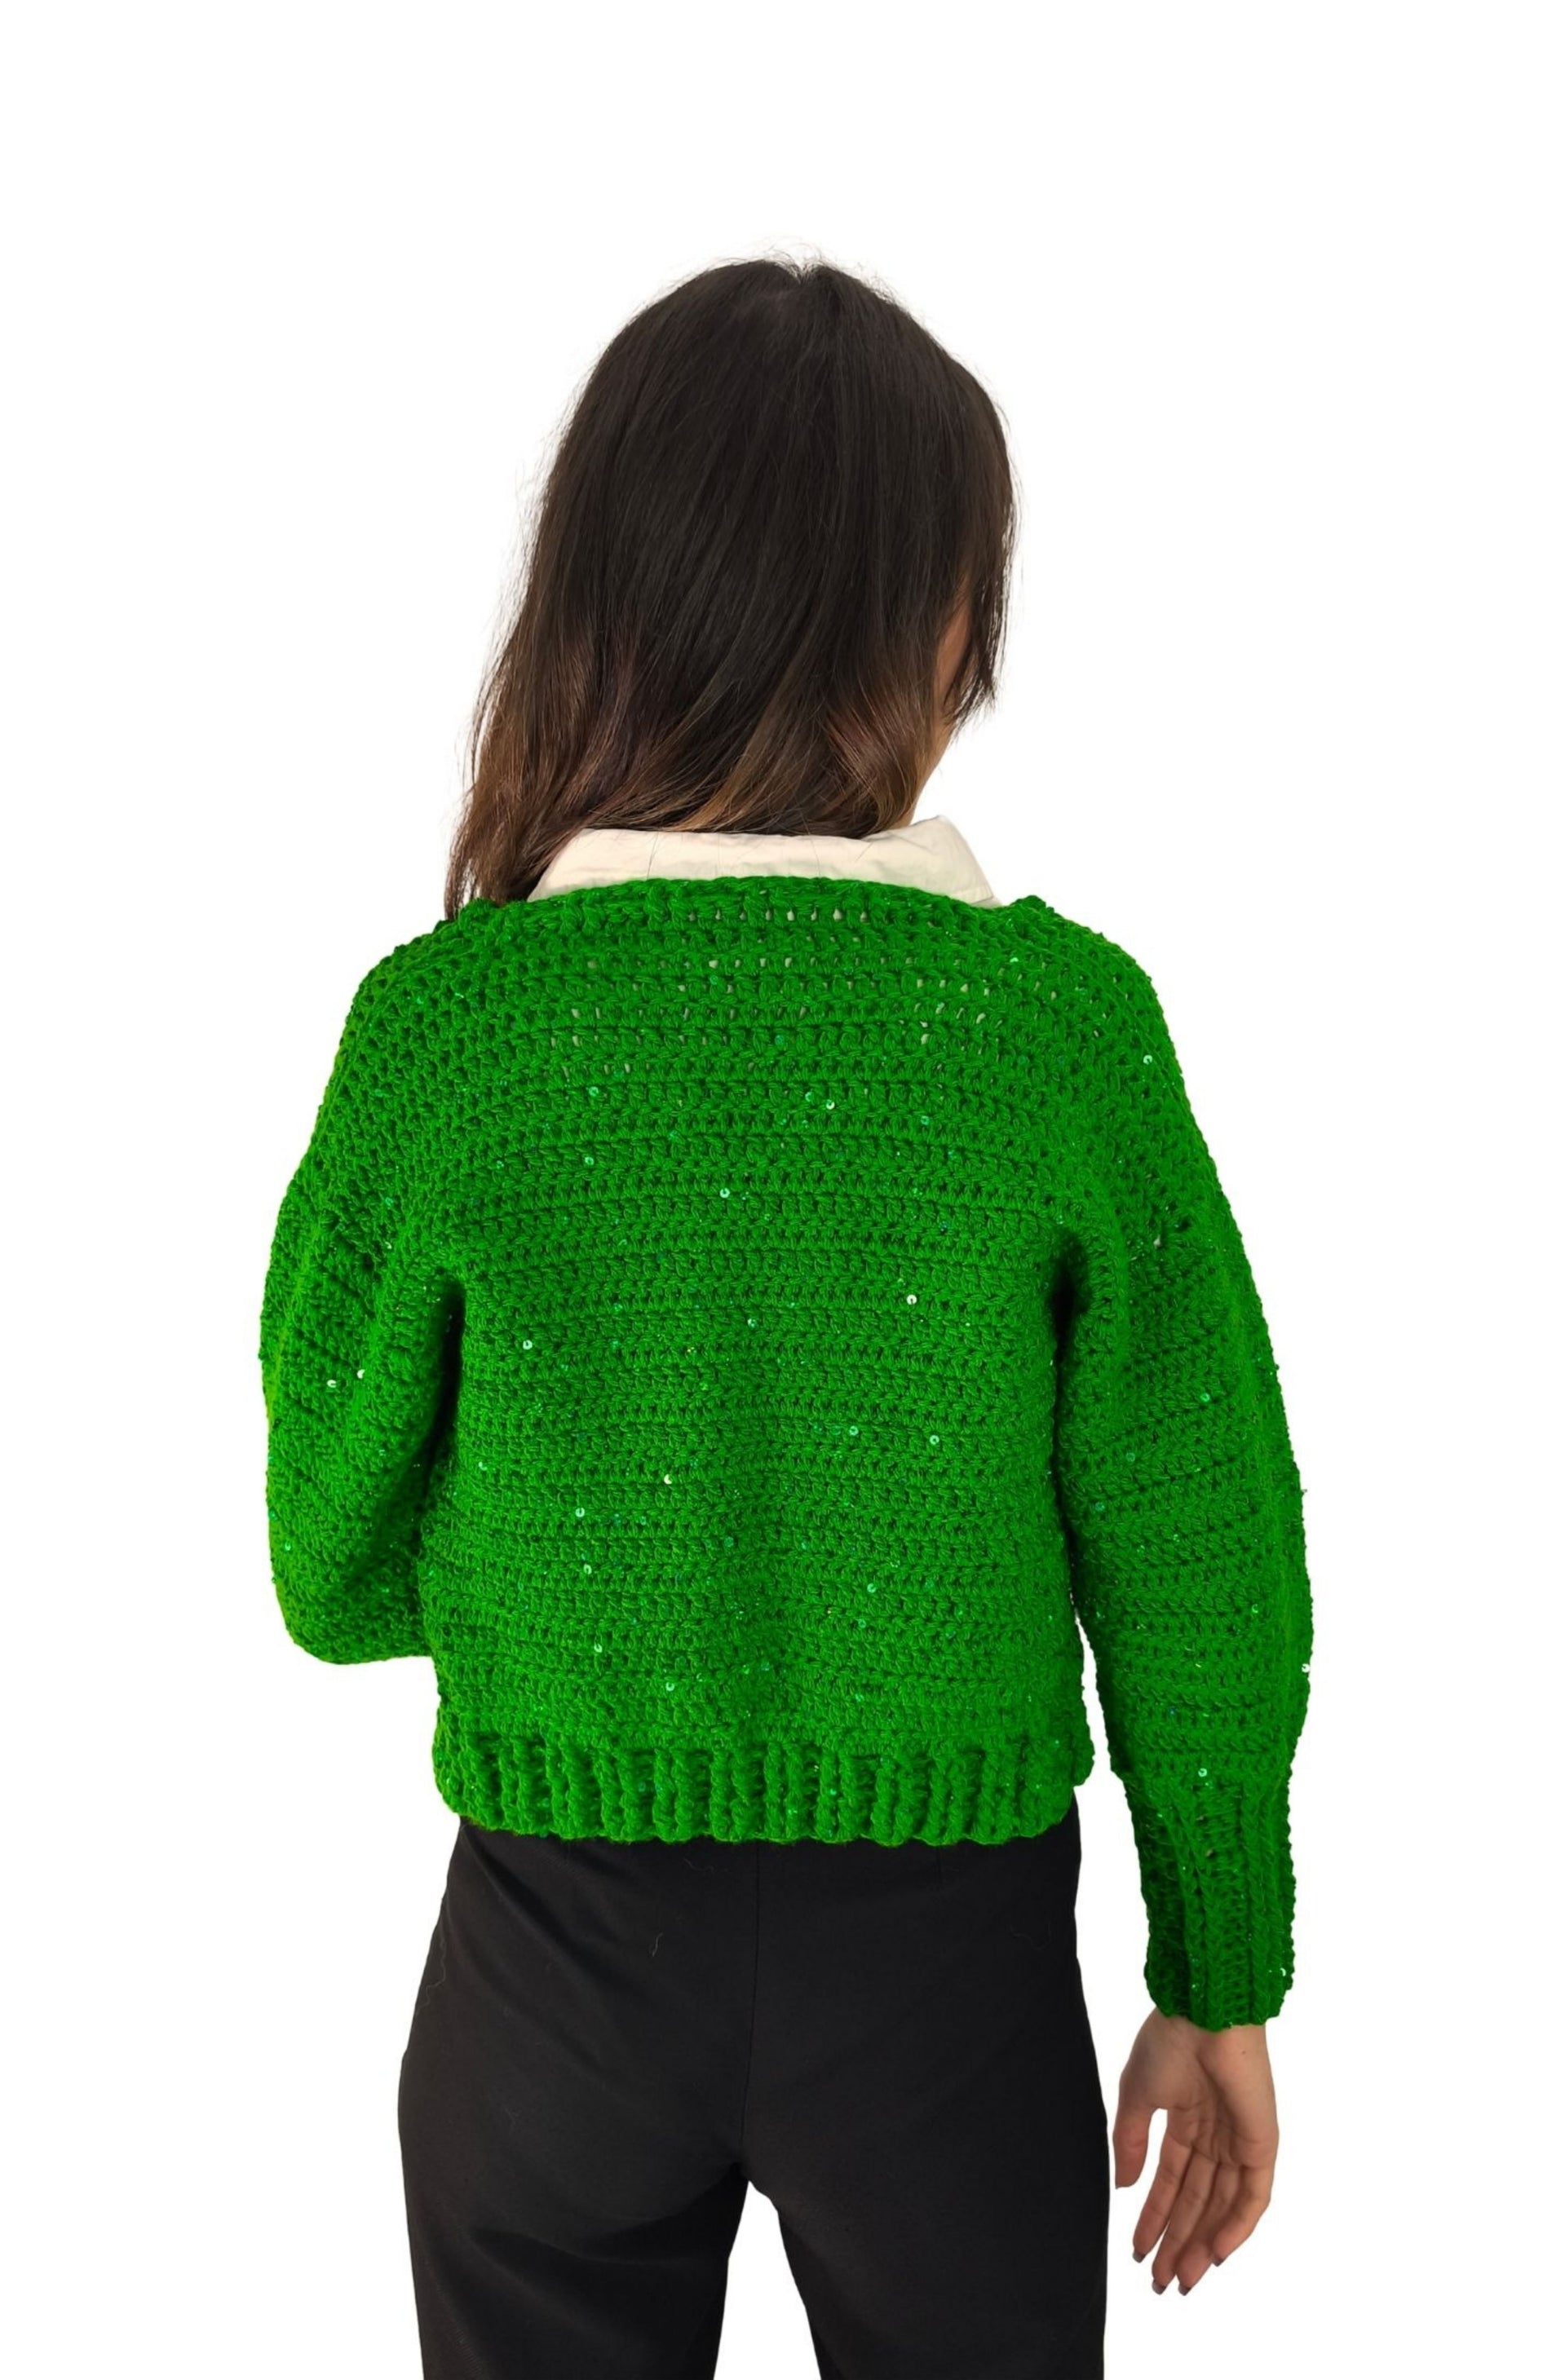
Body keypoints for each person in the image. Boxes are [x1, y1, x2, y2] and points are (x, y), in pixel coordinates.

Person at [258, 253, 1313, 2379]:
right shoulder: (1055, 1030)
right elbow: (1198, 1547)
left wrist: (591, 1578)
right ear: (939, 627)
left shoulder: (451, 1033)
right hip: (954, 1982)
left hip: (550, 1969)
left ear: (602, 605)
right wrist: (1217, 1973)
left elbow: (330, 1565)